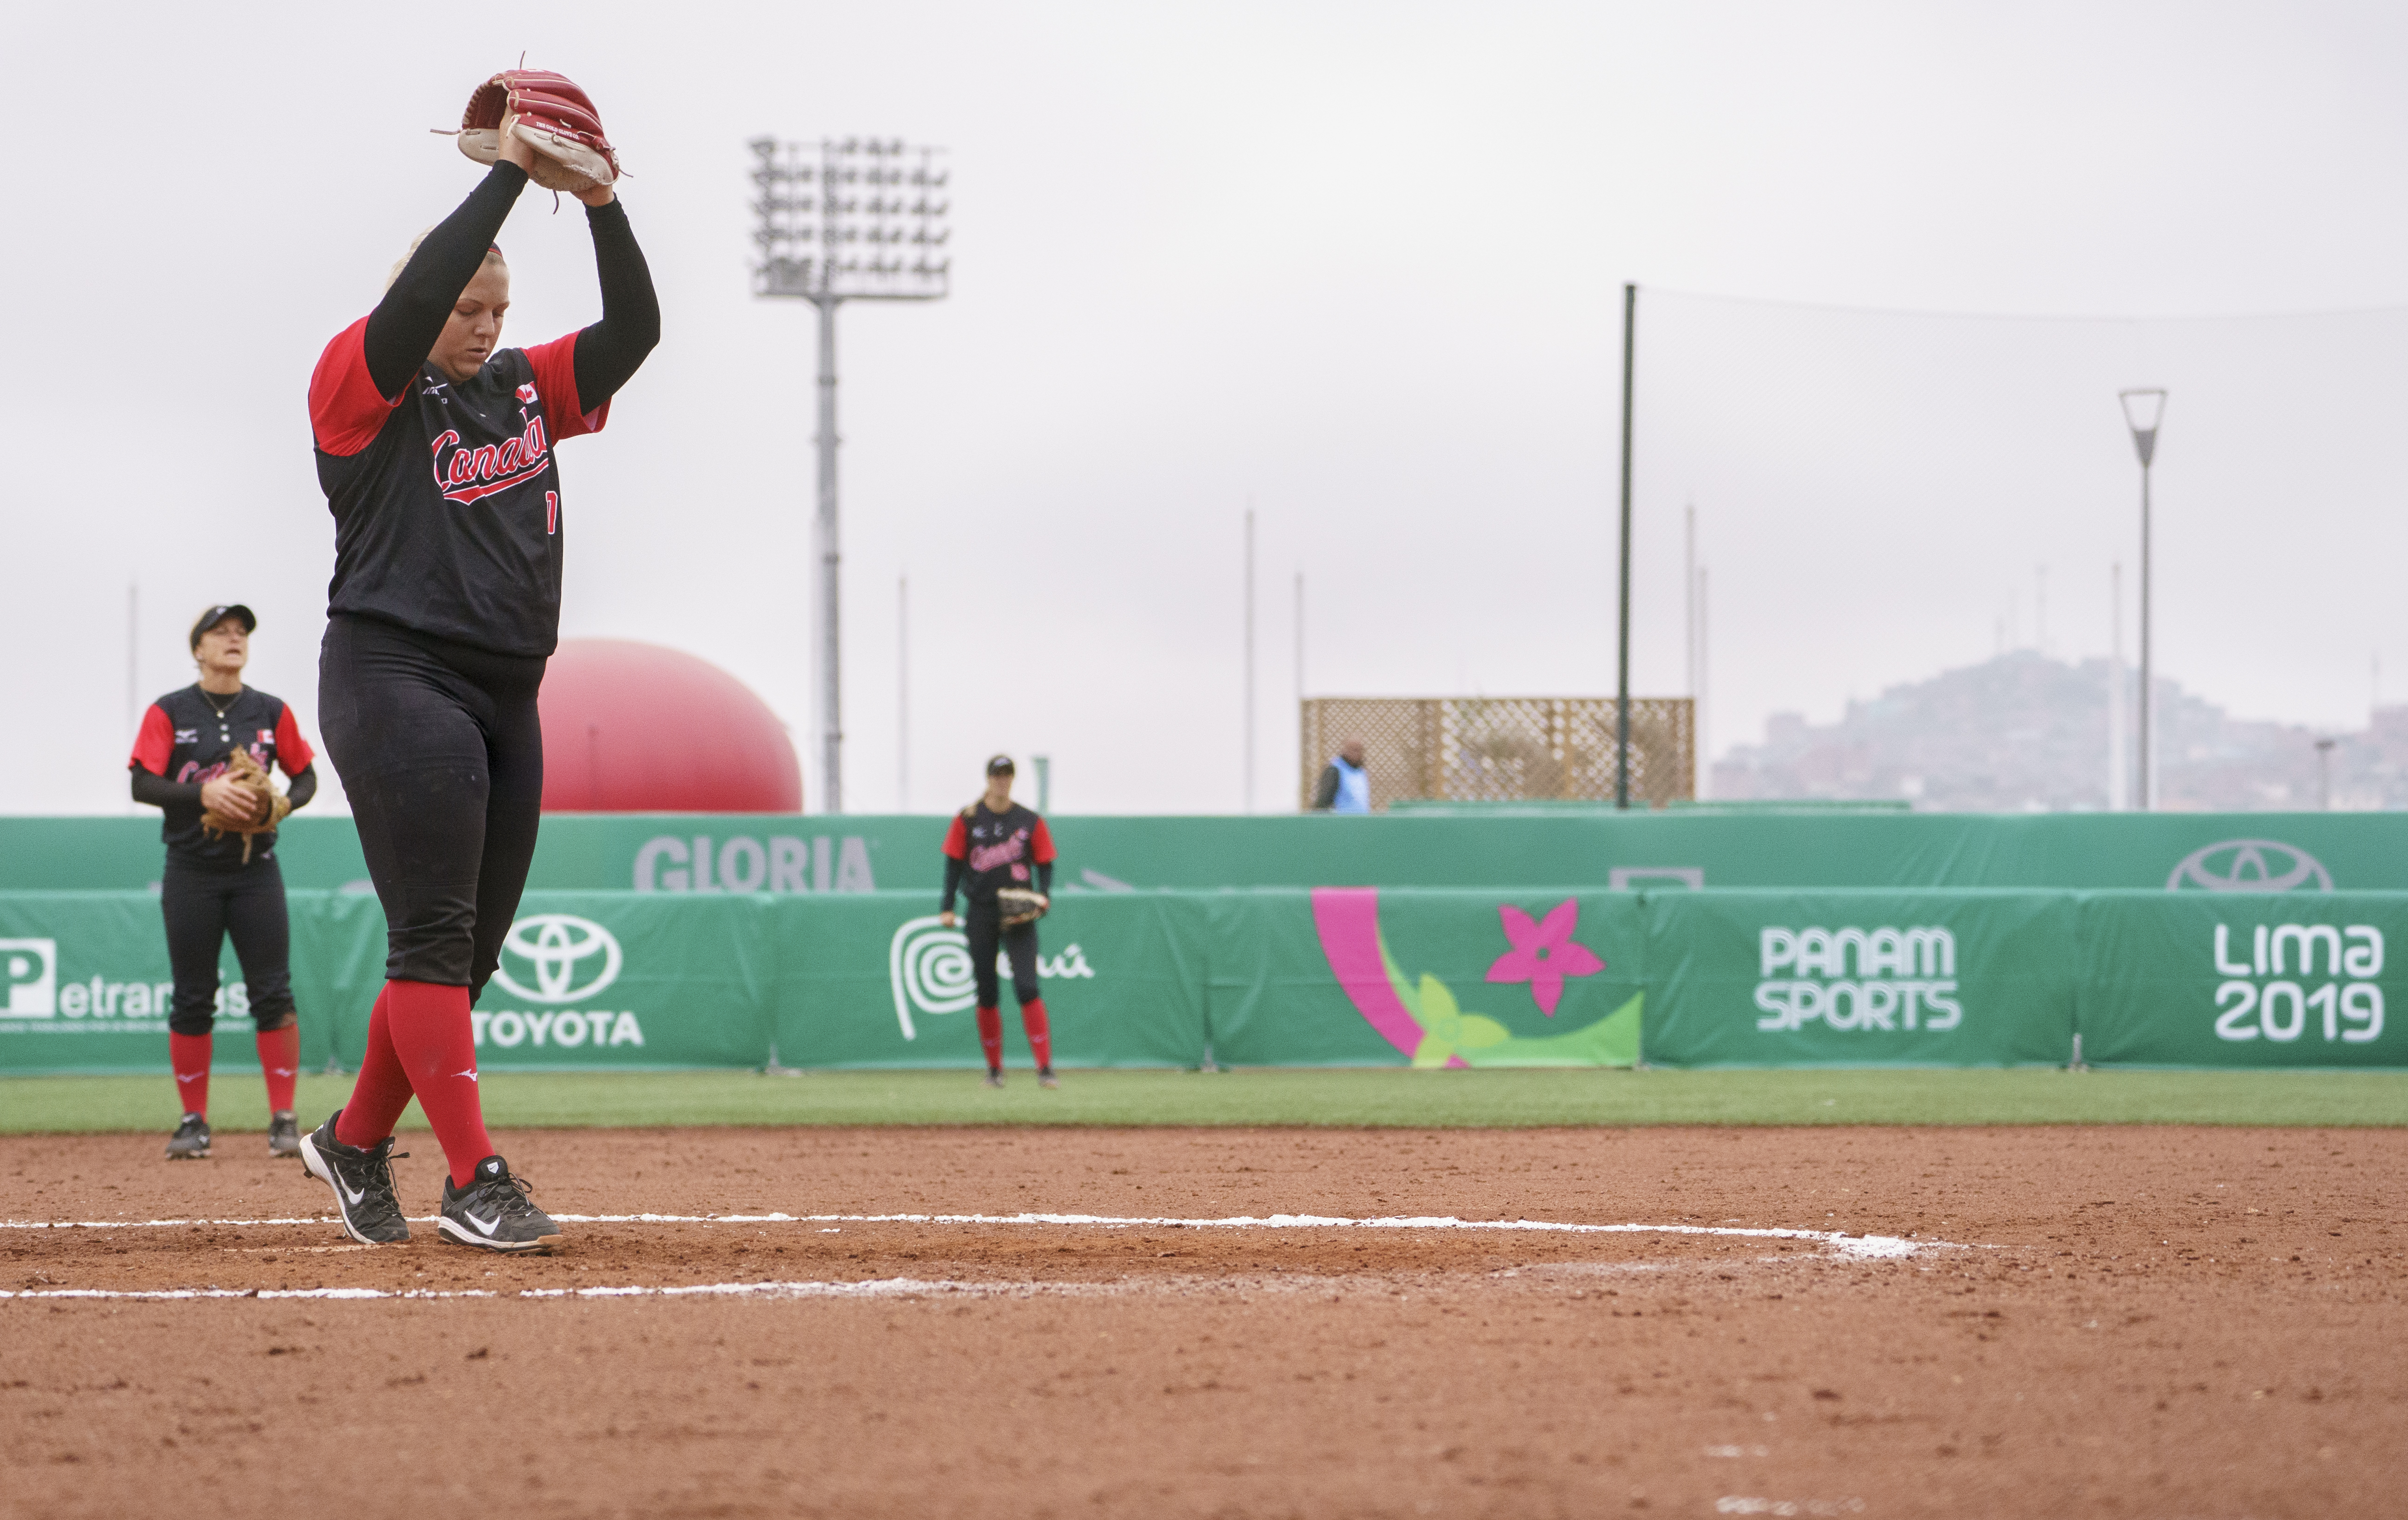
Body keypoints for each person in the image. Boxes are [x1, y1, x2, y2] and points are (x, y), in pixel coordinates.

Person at [294, 108, 658, 1253]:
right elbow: (413, 307)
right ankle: (473, 1179)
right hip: (394, 669)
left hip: (507, 693)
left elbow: (637, 332)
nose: (487, 324)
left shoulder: (526, 389)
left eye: (501, 308)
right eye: (469, 307)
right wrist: (510, 174)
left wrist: (601, 201)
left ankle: (354, 1143)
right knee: (436, 936)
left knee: (469, 954)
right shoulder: (363, 384)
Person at [128, 605, 321, 1161]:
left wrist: (284, 801)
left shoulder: (269, 710)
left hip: (256, 869)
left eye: (241, 633)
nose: (234, 639)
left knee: (273, 991)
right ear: (199, 648)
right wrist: (203, 795)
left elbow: (305, 773)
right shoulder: (170, 710)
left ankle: (284, 1118)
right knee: (193, 995)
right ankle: (194, 1122)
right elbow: (143, 781)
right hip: (190, 871)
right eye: (222, 632)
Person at [939, 756, 1059, 1088]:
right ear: (989, 778)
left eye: (1007, 775)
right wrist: (947, 906)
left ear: (1013, 779)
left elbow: (1046, 861)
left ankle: (1045, 1068)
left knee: (1027, 987)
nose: (1002, 780)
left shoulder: (1028, 820)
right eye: (997, 775)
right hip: (981, 910)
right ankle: (995, 1070)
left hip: (1018, 910)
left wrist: (1045, 894)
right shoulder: (969, 818)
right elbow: (953, 865)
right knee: (988, 992)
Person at [1311, 738, 1372, 813]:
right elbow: (1323, 801)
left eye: (1359, 750)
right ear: (1345, 750)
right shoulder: (1334, 771)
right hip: (1343, 822)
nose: (1356, 754)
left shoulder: (1361, 772)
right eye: (1353, 750)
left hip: (1362, 822)